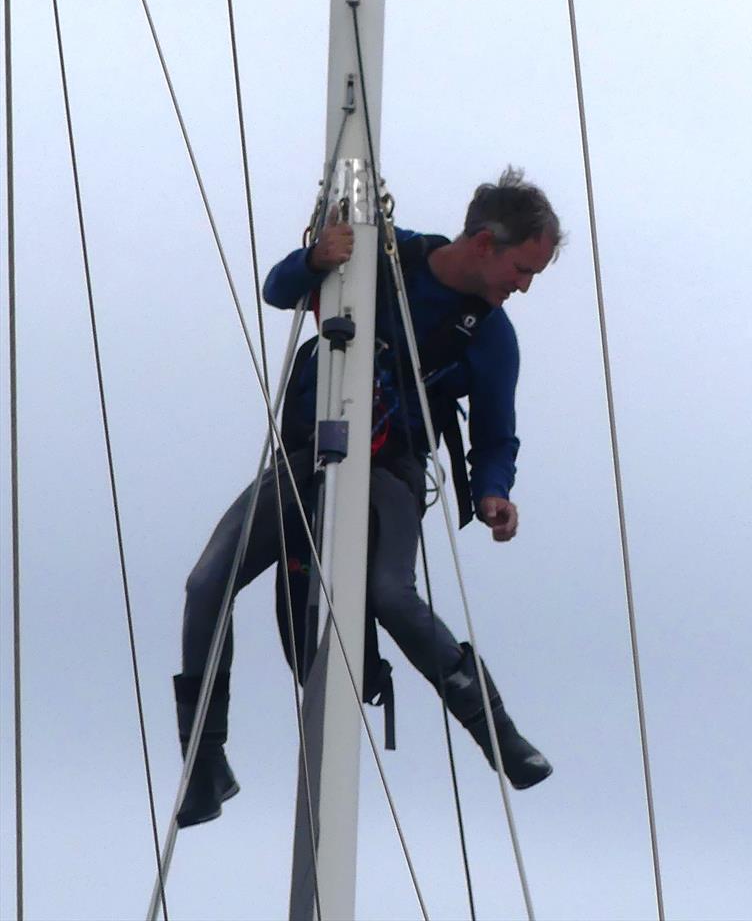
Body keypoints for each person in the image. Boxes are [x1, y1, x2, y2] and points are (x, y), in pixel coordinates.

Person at [173, 167, 562, 828]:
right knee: (208, 581)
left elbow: (498, 435)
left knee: (388, 595)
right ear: (483, 243)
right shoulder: (383, 257)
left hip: (392, 469)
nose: (523, 287)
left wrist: (496, 492)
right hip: (307, 454)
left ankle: (496, 732)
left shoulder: (491, 335)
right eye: (523, 270)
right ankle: (205, 760)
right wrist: (315, 259)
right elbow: (279, 290)